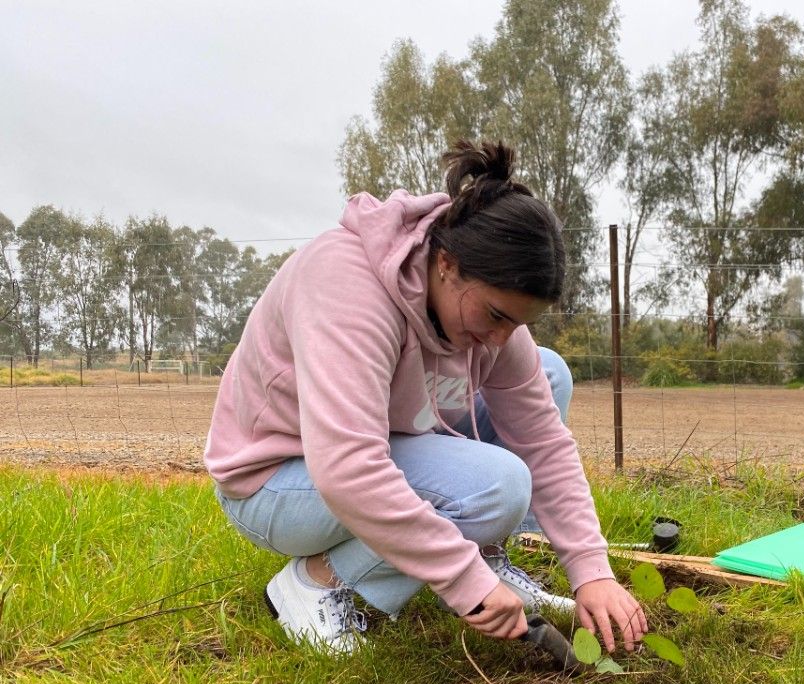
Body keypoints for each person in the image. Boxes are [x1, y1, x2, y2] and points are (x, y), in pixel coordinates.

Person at [205, 140, 648, 656]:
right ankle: (315, 584)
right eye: (497, 316)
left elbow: (544, 443)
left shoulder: (480, 310)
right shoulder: (346, 284)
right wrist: (464, 581)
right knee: (496, 488)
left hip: (377, 442)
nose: (502, 340)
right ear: (446, 264)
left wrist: (591, 572)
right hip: (276, 479)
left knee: (548, 373)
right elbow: (348, 467)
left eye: (519, 322)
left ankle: (485, 550)